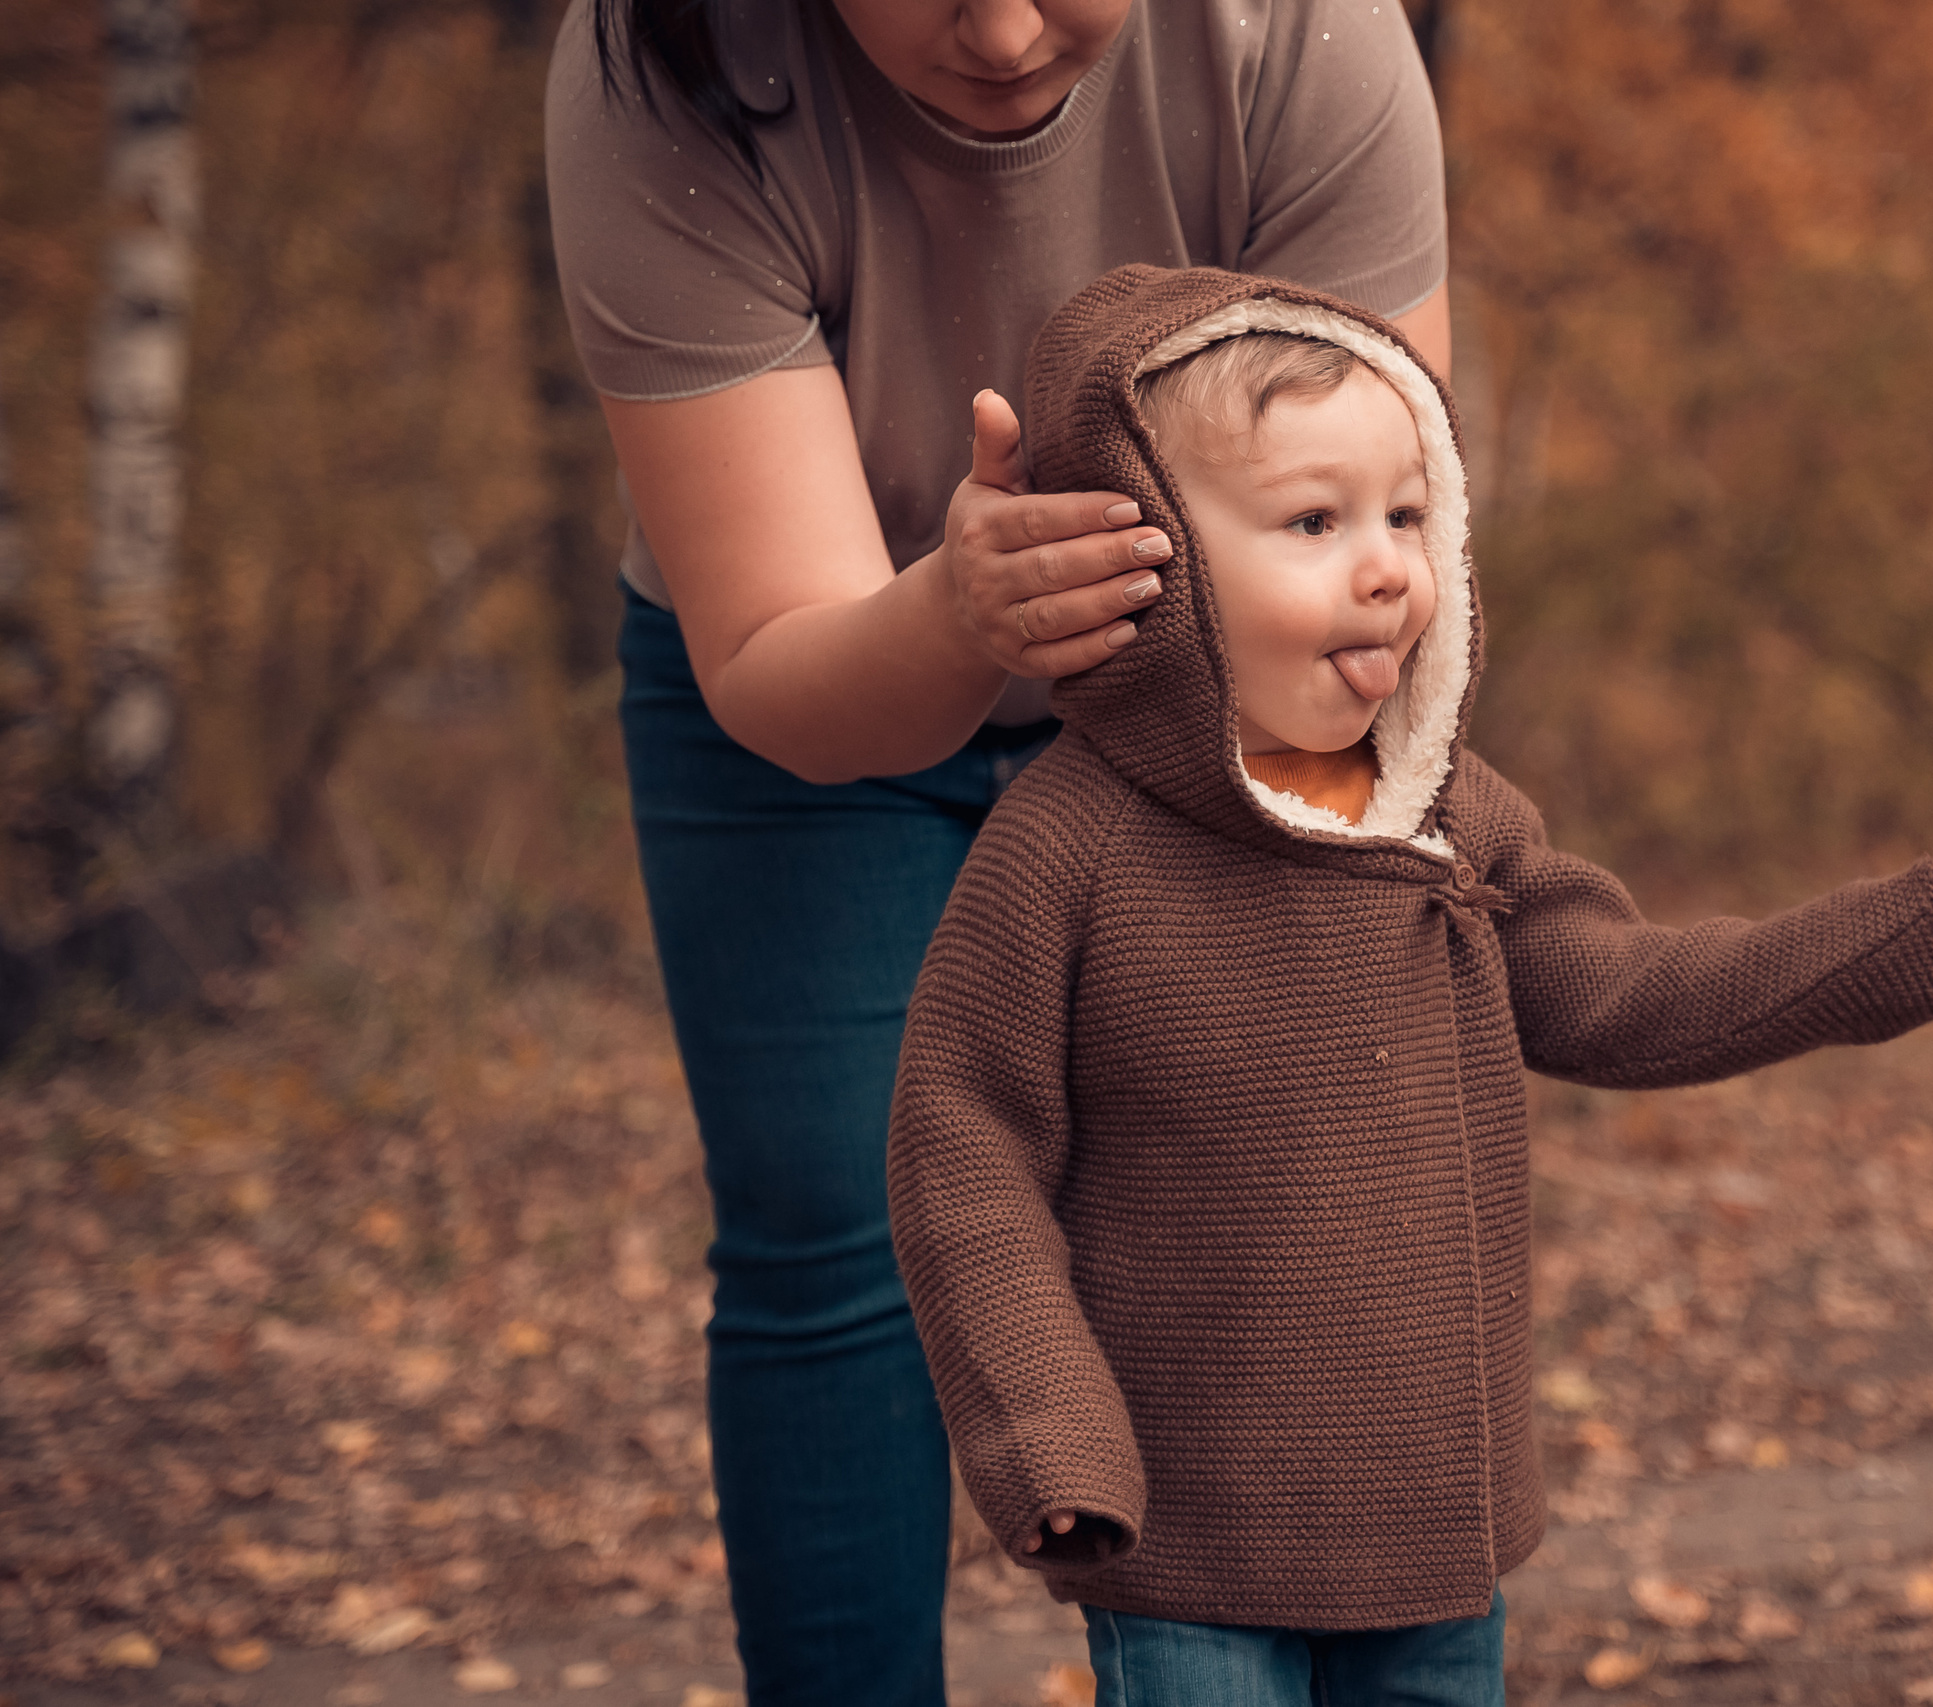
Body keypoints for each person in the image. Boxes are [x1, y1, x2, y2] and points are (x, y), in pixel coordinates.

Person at [885, 264, 1933, 1707]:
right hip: (1187, 1531)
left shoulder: (1445, 816)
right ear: (1148, 556)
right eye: (1315, 521)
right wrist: (1049, 1432)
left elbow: (1618, 989)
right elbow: (962, 1155)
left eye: (1409, 515)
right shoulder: (1070, 849)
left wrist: (1870, 955)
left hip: (1430, 1515)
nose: (1387, 567)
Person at [543, 0, 1450, 1700]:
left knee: (1253, 1196)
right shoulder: (654, 70)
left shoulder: (1302, 32)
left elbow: (1383, 512)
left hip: (1218, 679)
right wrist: (966, 612)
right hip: (809, 677)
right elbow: (787, 663)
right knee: (834, 1227)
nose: (1010, 31)